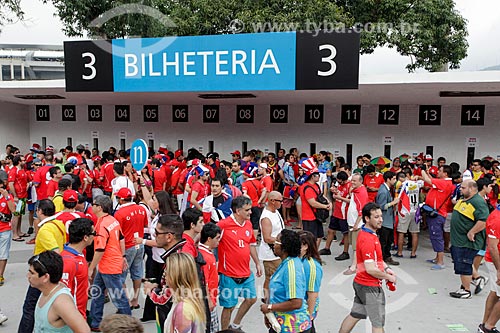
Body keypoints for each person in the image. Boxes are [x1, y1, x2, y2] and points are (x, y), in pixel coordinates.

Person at [339, 202, 397, 333]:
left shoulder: (368, 234)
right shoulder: (368, 239)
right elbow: (371, 269)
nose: (381, 219)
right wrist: (388, 277)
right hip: (369, 287)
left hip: (361, 283)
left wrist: (387, 269)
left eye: (381, 216)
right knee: (377, 324)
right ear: (366, 218)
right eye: (376, 217)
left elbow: (378, 260)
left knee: (355, 315)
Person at [218, 196, 263, 331]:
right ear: (238, 211)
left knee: (251, 299)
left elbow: (251, 244)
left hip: (246, 273)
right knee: (229, 306)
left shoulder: (248, 224)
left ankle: (235, 324)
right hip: (229, 274)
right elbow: (207, 238)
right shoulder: (223, 225)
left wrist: (257, 263)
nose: (251, 212)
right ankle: (225, 331)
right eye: (247, 210)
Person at [88, 195, 131, 331]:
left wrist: (91, 267)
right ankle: (95, 322)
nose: (91, 206)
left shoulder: (101, 225)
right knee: (97, 292)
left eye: (93, 204)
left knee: (118, 297)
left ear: (99, 207)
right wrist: (123, 255)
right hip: (112, 263)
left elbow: (100, 249)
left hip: (108, 266)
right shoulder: (112, 221)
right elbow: (121, 238)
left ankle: (128, 325)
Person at [259, 229, 312, 333]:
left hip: (293, 328)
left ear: (285, 248)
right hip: (281, 324)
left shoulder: (292, 268)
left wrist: (269, 307)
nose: (274, 244)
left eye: (277, 241)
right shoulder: (285, 263)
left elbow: (296, 303)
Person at [28, 251, 90, 333]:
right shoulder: (46, 290)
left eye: (32, 273)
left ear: (46, 277)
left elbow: (84, 330)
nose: (28, 276)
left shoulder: (61, 302)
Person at [449, 179, 489, 299]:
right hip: (458, 241)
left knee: (464, 264)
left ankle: (466, 290)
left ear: (471, 189)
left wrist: (472, 232)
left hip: (467, 242)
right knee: (462, 262)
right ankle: (477, 279)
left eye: (463, 187)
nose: (460, 189)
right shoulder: (464, 199)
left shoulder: (478, 202)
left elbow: (483, 221)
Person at [114, 187, 148, 310]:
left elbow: (118, 233)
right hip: (139, 244)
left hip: (127, 247)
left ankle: (127, 301)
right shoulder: (141, 209)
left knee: (121, 275)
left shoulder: (119, 213)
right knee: (137, 273)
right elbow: (145, 224)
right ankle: (135, 300)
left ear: (122, 200)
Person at [421, 164, 455, 270]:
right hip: (435, 213)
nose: (437, 172)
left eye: (440, 171)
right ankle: (437, 258)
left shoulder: (445, 183)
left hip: (438, 214)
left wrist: (421, 170)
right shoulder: (443, 182)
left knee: (437, 236)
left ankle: (440, 262)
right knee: (435, 235)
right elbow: (431, 179)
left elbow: (428, 180)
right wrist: (427, 172)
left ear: (445, 173)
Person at [164, 253, 207, 333]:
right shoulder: (193, 299)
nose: (165, 276)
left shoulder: (183, 309)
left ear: (175, 276)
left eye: (167, 272)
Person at [61, 218, 95, 319]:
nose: (95, 236)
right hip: (73, 318)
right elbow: (63, 294)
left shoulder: (79, 254)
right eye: (93, 233)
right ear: (85, 237)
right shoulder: (69, 262)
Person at [258, 190, 284, 300]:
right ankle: (267, 298)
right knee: (271, 277)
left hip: (278, 251)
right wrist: (283, 241)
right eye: (280, 201)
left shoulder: (275, 212)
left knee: (276, 277)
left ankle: (269, 297)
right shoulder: (266, 218)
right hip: (271, 254)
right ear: (272, 201)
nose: (282, 203)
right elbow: (267, 238)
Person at [479, 205, 500, 333]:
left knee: (494, 292)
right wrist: (499, 269)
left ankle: (485, 324)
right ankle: (488, 326)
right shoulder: (496, 219)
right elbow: (492, 247)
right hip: (495, 262)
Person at [298, 231, 323, 333]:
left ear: (305, 246)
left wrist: (308, 317)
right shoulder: (299, 259)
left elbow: (312, 295)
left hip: (306, 310)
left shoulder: (311, 266)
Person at [199, 222, 222, 333]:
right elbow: (205, 281)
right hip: (209, 301)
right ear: (209, 239)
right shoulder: (205, 257)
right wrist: (210, 301)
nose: (219, 241)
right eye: (217, 238)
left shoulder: (207, 253)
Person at [375, 171, 400, 266]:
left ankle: (386, 256)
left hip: (389, 220)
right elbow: (381, 206)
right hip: (384, 221)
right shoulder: (383, 191)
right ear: (388, 179)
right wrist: (392, 203)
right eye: (393, 179)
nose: (395, 180)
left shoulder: (388, 189)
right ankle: (382, 258)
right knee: (384, 241)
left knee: (389, 240)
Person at [0, 169, 15, 286]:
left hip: (4, 228)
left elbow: (13, 210)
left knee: (3, 253)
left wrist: (7, 197)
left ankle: (0, 275)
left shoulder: (7, 196)